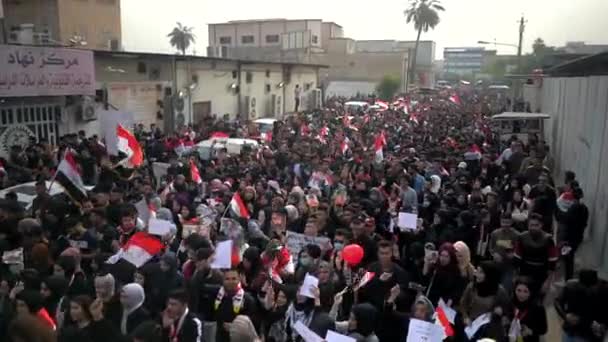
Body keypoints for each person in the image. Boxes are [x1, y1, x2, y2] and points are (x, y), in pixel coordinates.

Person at [214, 268, 257, 342]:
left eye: (234, 279)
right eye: (227, 279)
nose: (230, 282)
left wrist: (235, 326)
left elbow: (252, 323)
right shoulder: (217, 296)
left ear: (239, 279)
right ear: (223, 281)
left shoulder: (248, 300)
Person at [508, 277, 547, 342]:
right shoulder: (511, 303)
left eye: (525, 291)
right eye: (519, 290)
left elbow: (543, 329)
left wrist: (530, 331)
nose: (521, 294)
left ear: (531, 292)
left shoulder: (538, 308)